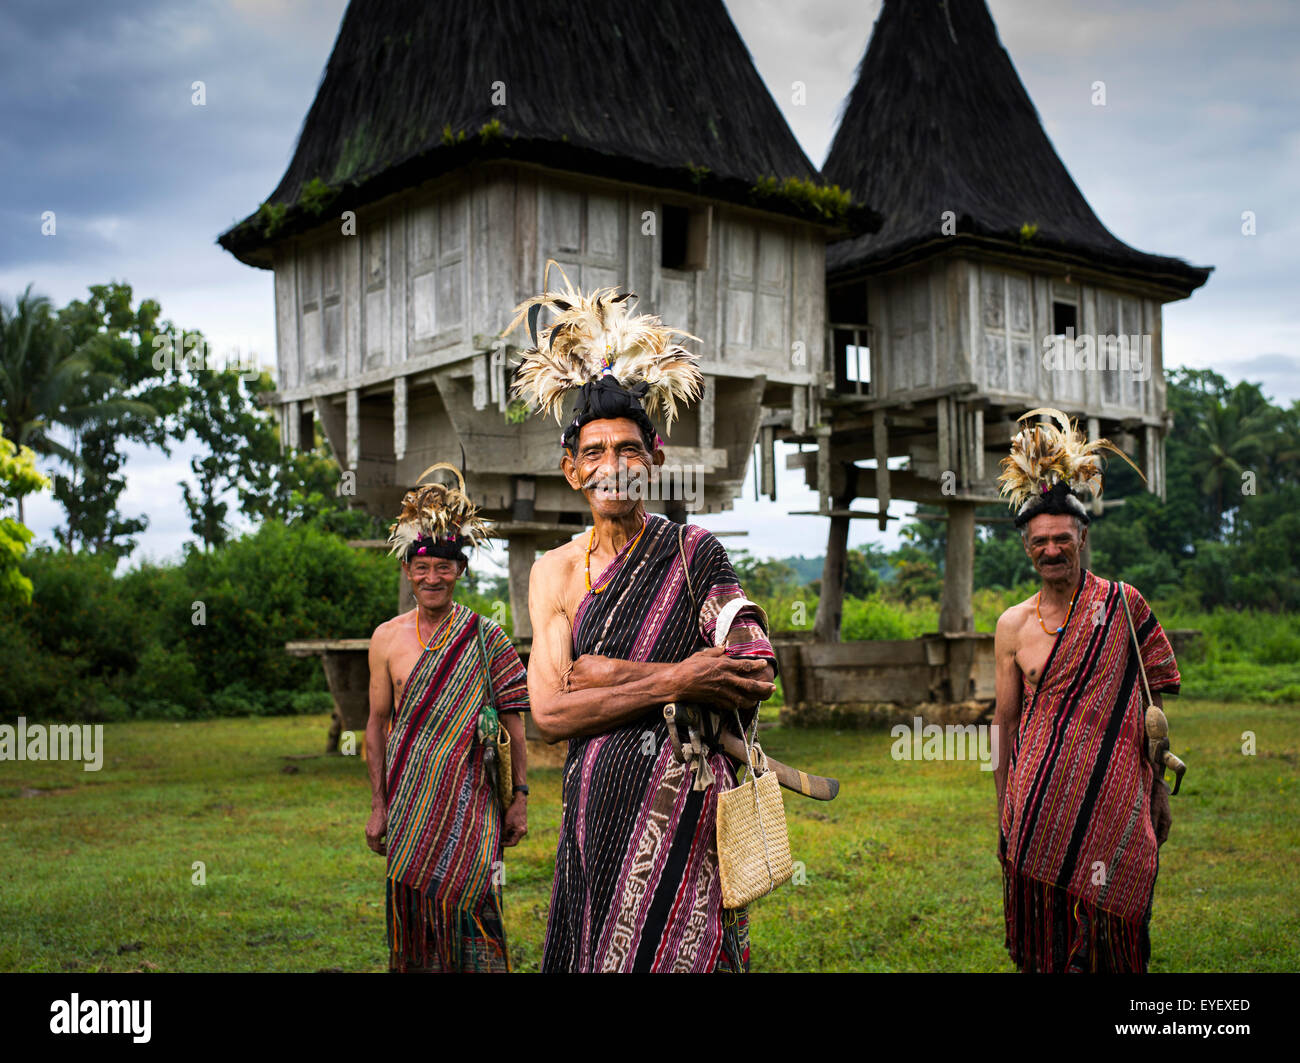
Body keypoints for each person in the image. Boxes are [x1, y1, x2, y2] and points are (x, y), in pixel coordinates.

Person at [508, 265, 778, 972]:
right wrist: (680, 678)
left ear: (653, 459)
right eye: (593, 451)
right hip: (593, 819)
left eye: (629, 448)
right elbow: (550, 712)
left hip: (687, 817)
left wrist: (624, 674)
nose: (613, 465)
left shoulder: (694, 554)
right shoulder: (554, 572)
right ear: (572, 469)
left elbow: (753, 670)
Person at [992, 410, 1181, 973]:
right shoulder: (1011, 625)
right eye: (1040, 541)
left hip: (1117, 800)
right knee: (1046, 941)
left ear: (1082, 537)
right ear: (1027, 547)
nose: (1052, 550)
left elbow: (1154, 708)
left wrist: (1159, 793)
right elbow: (1004, 727)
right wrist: (1004, 808)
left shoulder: (1124, 604)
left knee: (1114, 940)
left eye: (1062, 539)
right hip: (1036, 808)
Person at [364, 464, 529, 972]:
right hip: (409, 806)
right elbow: (375, 725)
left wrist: (519, 798)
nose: (432, 577)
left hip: (473, 806)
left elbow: (515, 726)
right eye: (422, 568)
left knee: (475, 912)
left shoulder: (487, 638)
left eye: (443, 567)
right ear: (407, 571)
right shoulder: (385, 639)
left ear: (459, 570)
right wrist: (378, 803)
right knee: (414, 925)